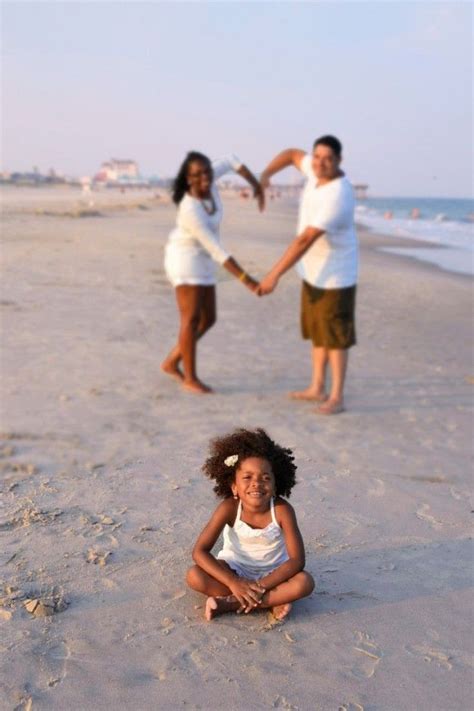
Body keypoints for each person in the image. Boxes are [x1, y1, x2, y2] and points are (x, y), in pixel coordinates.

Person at [258, 135, 358, 415]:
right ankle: (317, 387)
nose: (320, 163)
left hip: (336, 277)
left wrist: (273, 275)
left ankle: (337, 397)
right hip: (313, 273)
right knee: (318, 332)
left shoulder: (338, 194)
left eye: (328, 159)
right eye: (317, 157)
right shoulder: (313, 171)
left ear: (339, 161)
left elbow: (306, 239)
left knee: (336, 338)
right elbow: (291, 154)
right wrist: (266, 174)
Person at [186, 428, 314, 621]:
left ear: (275, 487)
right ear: (234, 487)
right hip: (234, 568)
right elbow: (199, 552)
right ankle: (270, 601)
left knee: (305, 582)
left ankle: (229, 603)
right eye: (247, 477)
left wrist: (260, 586)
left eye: (265, 478)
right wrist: (234, 581)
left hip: (274, 575)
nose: (256, 483)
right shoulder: (229, 508)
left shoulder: (281, 510)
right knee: (194, 575)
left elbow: (297, 561)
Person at [162, 151, 263, 394]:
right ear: (188, 178)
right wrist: (249, 282)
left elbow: (231, 160)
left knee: (209, 319)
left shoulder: (210, 176)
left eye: (207, 171)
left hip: (204, 260)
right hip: (185, 260)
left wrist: (256, 184)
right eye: (197, 174)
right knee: (191, 319)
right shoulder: (190, 210)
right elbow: (218, 251)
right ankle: (190, 378)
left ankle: (171, 361)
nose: (204, 177)